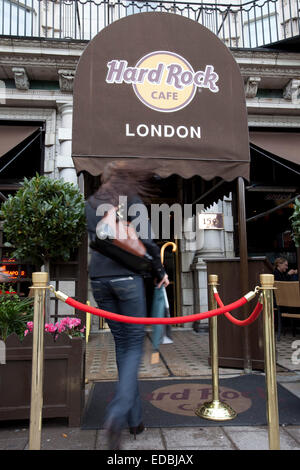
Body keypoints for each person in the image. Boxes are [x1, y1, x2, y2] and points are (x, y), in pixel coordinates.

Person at [85, 162, 169, 450]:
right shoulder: (131, 200)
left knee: (122, 345)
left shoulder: (92, 202)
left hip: (99, 281)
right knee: (134, 346)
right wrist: (160, 272)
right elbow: (146, 241)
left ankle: (135, 418)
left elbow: (95, 240)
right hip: (128, 281)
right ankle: (118, 413)